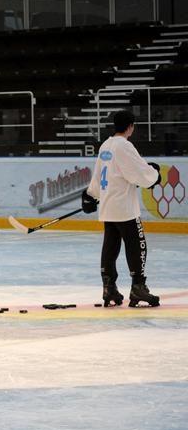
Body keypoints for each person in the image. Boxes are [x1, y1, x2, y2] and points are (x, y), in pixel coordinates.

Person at [83, 110, 160, 307]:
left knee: (110, 247)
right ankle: (138, 287)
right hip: (124, 208)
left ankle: (109, 287)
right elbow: (138, 173)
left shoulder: (106, 145)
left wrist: (91, 194)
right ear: (130, 127)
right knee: (137, 245)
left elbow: (99, 175)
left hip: (108, 206)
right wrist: (154, 175)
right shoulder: (124, 146)